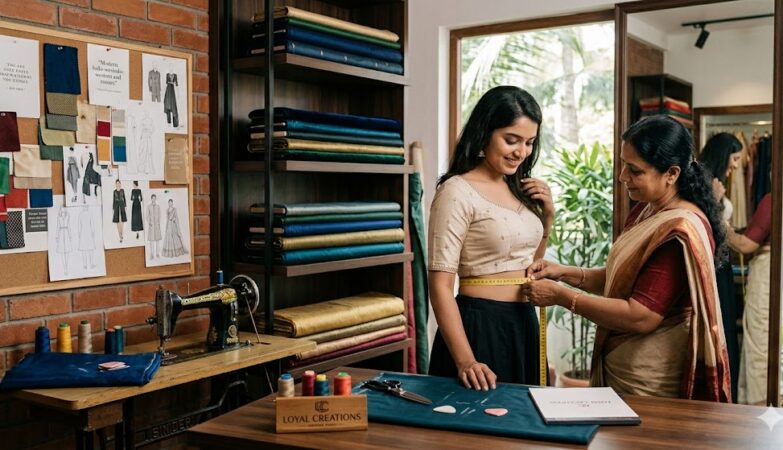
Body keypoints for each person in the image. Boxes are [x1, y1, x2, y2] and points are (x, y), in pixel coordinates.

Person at [522, 115, 731, 402]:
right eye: (623, 165)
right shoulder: (648, 209)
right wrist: (563, 272)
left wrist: (561, 296)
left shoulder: (678, 230)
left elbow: (641, 316)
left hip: (647, 381)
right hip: (623, 371)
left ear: (672, 173)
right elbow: (620, 278)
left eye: (634, 170)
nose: (622, 177)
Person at [427, 86, 554, 391]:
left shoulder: (520, 189)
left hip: (523, 323)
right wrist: (466, 361)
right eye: (511, 140)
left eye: (529, 142)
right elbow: (440, 286)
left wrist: (548, 218)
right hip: (479, 326)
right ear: (485, 132)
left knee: (526, 418)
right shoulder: (457, 191)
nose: (521, 152)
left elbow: (530, 266)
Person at [698, 132, 743, 401]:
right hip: (713, 263)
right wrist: (715, 201)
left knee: (726, 322)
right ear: (723, 155)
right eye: (734, 158)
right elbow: (702, 223)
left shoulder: (717, 183)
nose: (736, 165)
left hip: (722, 264)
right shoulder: (703, 183)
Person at [731, 192, 771, 405]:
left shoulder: (775, 199)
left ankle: (759, 409)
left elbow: (746, 245)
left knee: (759, 345)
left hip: (768, 275)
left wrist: (722, 228)